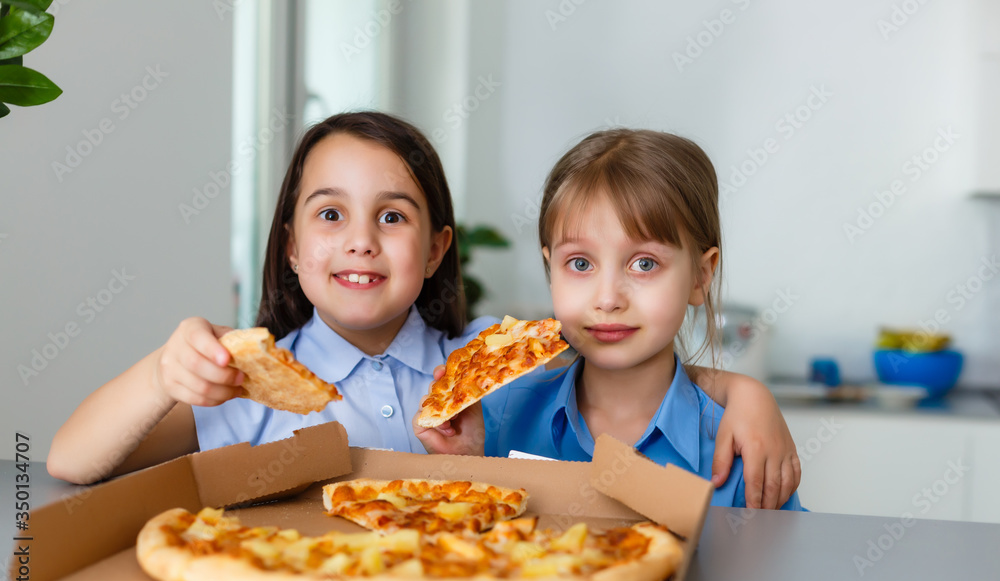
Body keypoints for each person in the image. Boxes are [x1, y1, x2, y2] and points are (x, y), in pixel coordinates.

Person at [49, 113, 797, 509]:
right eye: (331, 215)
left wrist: (743, 391)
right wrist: (165, 368)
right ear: (290, 246)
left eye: (394, 217)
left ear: (439, 248)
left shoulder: (481, 366)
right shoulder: (239, 385)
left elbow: (612, 355)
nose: (362, 243)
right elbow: (69, 461)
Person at [415, 128, 802, 510]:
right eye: (580, 264)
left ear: (701, 275)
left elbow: (776, 570)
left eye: (644, 263)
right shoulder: (494, 418)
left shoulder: (741, 444)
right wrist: (465, 466)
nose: (607, 298)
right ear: (552, 270)